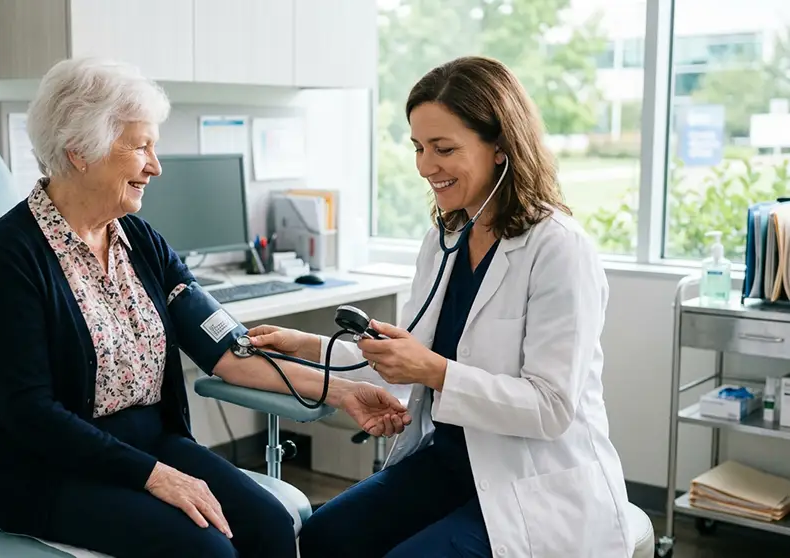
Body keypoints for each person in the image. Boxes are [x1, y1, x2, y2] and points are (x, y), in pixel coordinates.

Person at [0, 57, 412, 558]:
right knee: (207, 551)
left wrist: (343, 390)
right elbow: (31, 415)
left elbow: (227, 351)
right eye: (141, 147)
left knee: (270, 525)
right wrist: (154, 476)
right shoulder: (11, 255)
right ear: (80, 152)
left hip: (146, 442)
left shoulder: (140, 242)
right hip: (37, 465)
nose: (155, 166)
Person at [248, 56, 634, 557]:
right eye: (418, 147)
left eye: (444, 148)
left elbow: (551, 408)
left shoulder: (558, 248)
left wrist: (434, 371)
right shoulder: (445, 237)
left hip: (531, 482)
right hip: (451, 465)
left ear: (501, 147)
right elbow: (403, 359)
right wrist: (307, 345)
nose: (425, 166)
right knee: (324, 537)